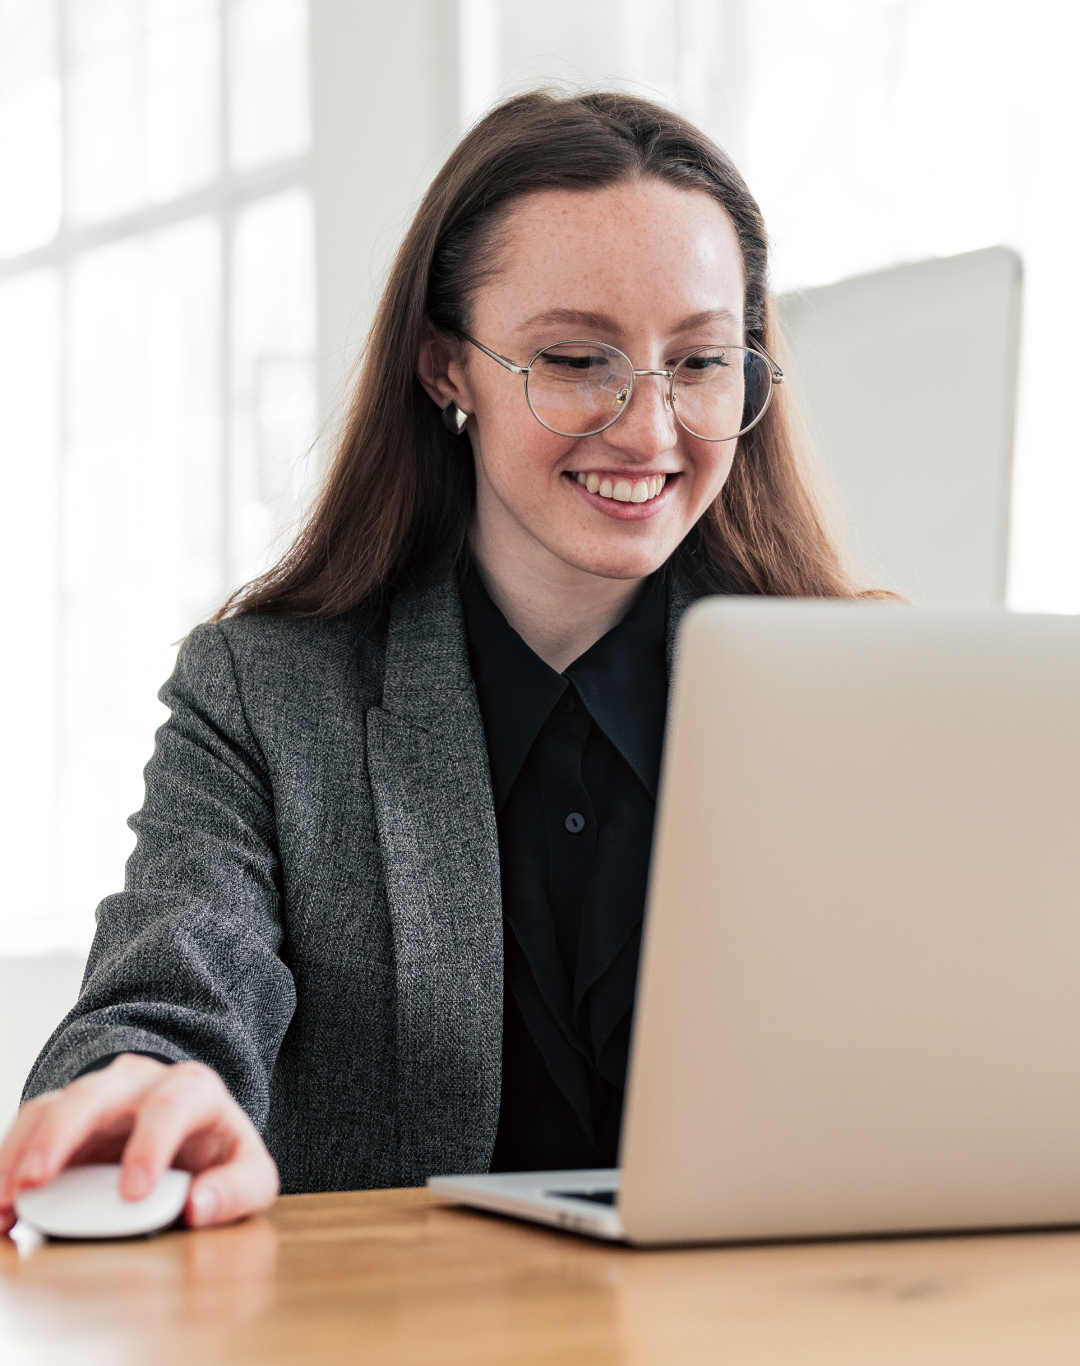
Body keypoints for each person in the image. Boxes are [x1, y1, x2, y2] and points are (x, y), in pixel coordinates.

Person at [0, 90, 875, 1236]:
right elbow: (171, 985)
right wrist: (140, 1092)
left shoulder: (853, 696)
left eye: (701, 360)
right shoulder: (263, 697)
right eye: (577, 358)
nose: (651, 429)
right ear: (444, 365)